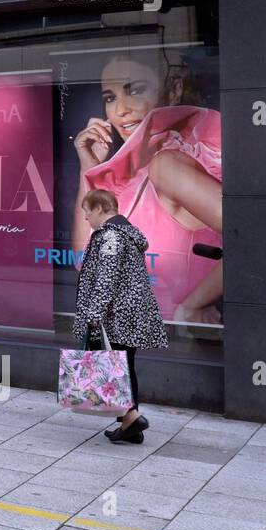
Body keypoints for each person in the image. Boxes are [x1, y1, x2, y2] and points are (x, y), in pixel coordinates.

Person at [72, 51, 222, 324]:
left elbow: (254, 234)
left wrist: (193, 307)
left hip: (172, 350)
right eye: (110, 97)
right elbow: (85, 264)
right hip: (118, 344)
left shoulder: (168, 166)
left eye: (135, 90)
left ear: (174, 90)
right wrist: (88, 169)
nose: (120, 110)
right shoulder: (127, 179)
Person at [73, 189, 168, 444]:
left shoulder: (111, 236)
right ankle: (129, 425)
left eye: (87, 212)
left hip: (117, 316)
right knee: (124, 367)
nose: (86, 219)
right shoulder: (125, 234)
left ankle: (131, 416)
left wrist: (94, 315)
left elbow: (106, 278)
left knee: (113, 368)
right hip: (129, 315)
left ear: (101, 208)